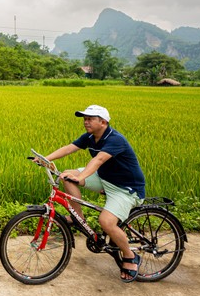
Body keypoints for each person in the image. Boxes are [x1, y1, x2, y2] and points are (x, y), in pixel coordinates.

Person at [43, 104, 146, 283]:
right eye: (85, 118)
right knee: (68, 175)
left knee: (106, 221)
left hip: (126, 188)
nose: (86, 122)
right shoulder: (91, 137)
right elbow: (70, 148)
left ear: (103, 122)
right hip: (106, 178)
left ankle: (130, 256)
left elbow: (98, 160)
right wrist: (45, 158)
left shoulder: (115, 139)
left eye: (90, 119)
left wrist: (82, 177)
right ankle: (78, 218)